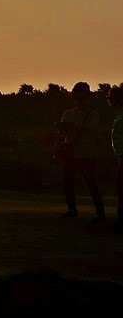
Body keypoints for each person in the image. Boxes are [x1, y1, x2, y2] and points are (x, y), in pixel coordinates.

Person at [56, 81, 105, 222]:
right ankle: (72, 209)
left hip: (87, 153)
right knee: (68, 183)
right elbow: (63, 132)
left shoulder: (92, 114)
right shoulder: (67, 113)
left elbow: (92, 128)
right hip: (70, 152)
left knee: (91, 184)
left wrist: (74, 126)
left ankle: (100, 213)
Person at [107, 84, 123, 231]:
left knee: (120, 184)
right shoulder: (119, 113)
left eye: (111, 97)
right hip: (120, 154)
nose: (109, 99)